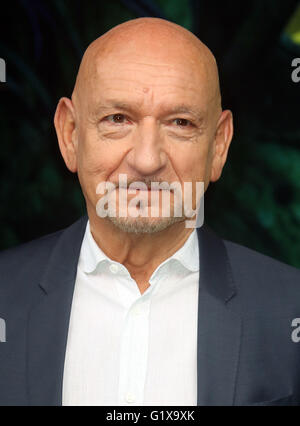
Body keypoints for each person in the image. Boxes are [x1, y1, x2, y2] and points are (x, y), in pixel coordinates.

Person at [0, 17, 300, 407]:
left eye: (180, 123)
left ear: (219, 146)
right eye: (117, 119)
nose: (146, 160)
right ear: (70, 134)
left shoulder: (289, 309)